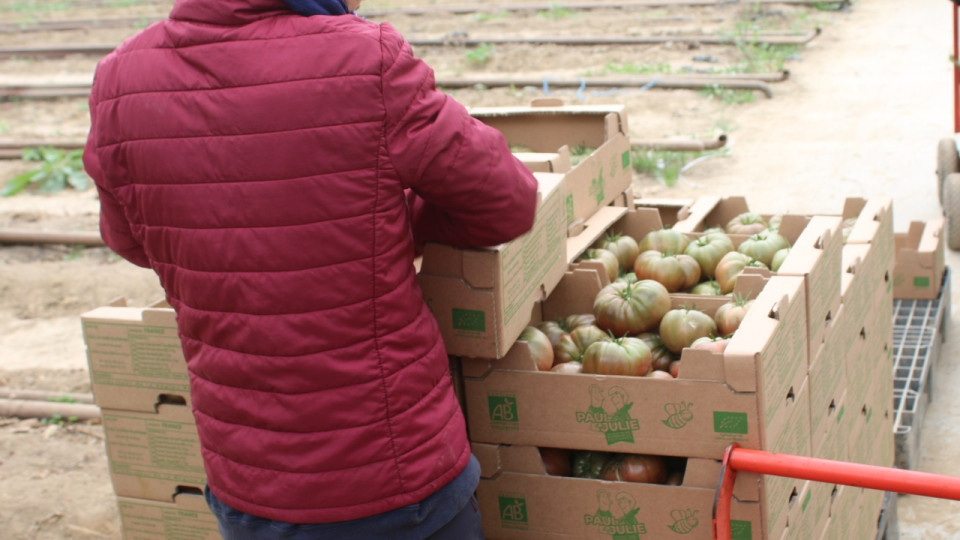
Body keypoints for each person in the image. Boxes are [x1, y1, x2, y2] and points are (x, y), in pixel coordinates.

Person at [82, 0, 539, 538]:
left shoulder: (119, 79)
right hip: (393, 473)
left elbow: (130, 238)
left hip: (248, 483)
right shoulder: (364, 56)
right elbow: (507, 200)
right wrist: (388, 224)